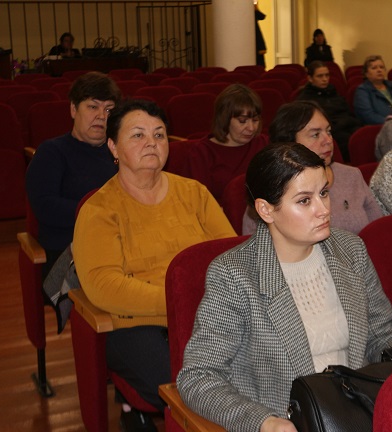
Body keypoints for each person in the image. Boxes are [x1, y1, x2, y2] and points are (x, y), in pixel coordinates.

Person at [178, 142, 392, 432]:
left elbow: (386, 333)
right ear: (266, 210)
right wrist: (263, 422)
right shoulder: (234, 275)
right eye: (305, 201)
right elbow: (199, 376)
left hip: (359, 413)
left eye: (324, 193)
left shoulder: (350, 251)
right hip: (288, 422)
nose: (323, 209)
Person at [73, 99, 236, 431]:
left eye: (159, 135)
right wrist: (180, 303)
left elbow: (231, 257)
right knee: (199, 388)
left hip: (209, 316)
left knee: (263, 367)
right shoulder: (100, 210)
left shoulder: (194, 193)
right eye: (138, 135)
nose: (151, 142)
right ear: (113, 147)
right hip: (140, 327)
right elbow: (105, 286)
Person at [26, 71, 121, 279]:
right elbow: (45, 207)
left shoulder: (121, 152)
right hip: (67, 254)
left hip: (119, 248)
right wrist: (102, 213)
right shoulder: (52, 152)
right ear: (73, 109)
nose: (102, 115)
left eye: (109, 109)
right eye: (93, 106)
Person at [243, 100, 381, 235]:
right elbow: (259, 246)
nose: (328, 140)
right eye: (316, 135)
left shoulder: (351, 175)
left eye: (329, 132)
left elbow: (378, 231)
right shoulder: (269, 191)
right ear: (289, 142)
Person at [181, 83, 269, 200]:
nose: (251, 128)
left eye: (255, 120)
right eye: (242, 121)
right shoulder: (201, 153)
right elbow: (196, 201)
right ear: (224, 119)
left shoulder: (263, 144)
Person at [297, 61, 362, 161]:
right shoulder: (305, 99)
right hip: (331, 131)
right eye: (320, 76)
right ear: (310, 78)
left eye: (327, 75)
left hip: (347, 126)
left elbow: (348, 113)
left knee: (364, 135)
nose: (325, 79)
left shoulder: (333, 92)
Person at [353, 55, 392, 125]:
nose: (379, 70)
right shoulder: (362, 91)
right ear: (366, 73)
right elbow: (368, 116)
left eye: (381, 67)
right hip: (382, 127)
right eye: (374, 68)